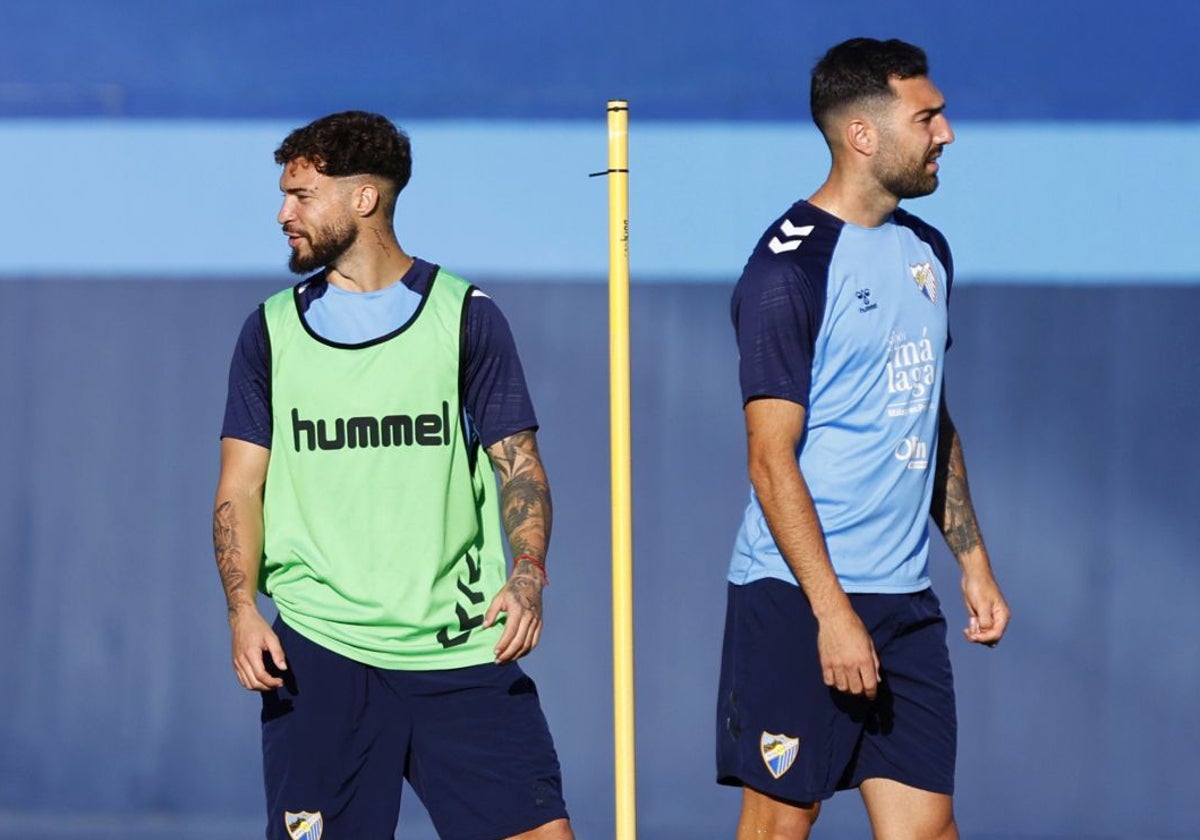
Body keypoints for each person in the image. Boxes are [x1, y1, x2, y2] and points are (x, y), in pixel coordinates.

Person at [212, 110, 573, 840]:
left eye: (301, 195)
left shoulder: (465, 317)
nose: (284, 213)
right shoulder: (270, 332)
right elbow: (238, 489)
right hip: (319, 656)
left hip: (458, 647)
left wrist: (527, 572)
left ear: (364, 198)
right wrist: (243, 610)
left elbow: (519, 467)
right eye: (284, 195)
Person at [715, 38, 1010, 839]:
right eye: (929, 116)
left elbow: (928, 413)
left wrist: (973, 563)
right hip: (798, 599)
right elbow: (769, 462)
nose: (947, 133)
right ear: (863, 136)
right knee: (778, 826)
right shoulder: (788, 272)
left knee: (928, 830)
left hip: (904, 602)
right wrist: (832, 614)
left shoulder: (928, 252)